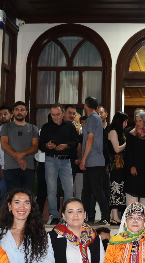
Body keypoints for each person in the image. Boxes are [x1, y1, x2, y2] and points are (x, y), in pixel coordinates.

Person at [40, 103, 80, 225]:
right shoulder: (46, 127)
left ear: (62, 113)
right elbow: (40, 144)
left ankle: (67, 215)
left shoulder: (70, 126)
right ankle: (54, 216)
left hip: (66, 160)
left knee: (69, 189)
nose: (55, 117)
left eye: (58, 114)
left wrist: (67, 145)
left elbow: (76, 141)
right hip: (51, 159)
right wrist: (47, 145)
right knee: (52, 189)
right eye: (53, 115)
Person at [80, 96, 110, 225]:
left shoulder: (92, 118)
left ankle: (106, 216)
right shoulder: (95, 118)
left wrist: (84, 158)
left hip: (93, 159)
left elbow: (90, 139)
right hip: (93, 159)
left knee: (97, 190)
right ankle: (84, 216)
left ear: (85, 105)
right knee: (86, 191)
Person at [0, 101, 40, 191]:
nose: (19, 112)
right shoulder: (6, 127)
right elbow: (4, 145)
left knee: (27, 195)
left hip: (28, 168)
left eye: (22, 110)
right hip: (11, 168)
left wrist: (23, 154)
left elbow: (35, 146)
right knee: (13, 196)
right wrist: (18, 157)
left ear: (26, 112)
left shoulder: (33, 128)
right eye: (17, 110)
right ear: (13, 112)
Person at [124, 111, 145, 207]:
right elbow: (128, 152)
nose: (137, 123)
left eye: (140, 121)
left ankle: (144, 219)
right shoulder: (131, 134)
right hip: (135, 170)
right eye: (136, 121)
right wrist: (131, 166)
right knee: (132, 195)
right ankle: (130, 218)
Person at [106, 112, 129, 224]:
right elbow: (116, 149)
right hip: (116, 164)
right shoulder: (113, 132)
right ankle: (114, 216)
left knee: (119, 188)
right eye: (125, 121)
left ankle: (114, 216)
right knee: (116, 188)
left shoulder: (120, 132)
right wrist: (127, 143)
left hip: (121, 164)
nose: (126, 124)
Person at [0, 105, 13, 205]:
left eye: (5, 114)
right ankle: (1, 218)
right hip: (1, 168)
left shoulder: (16, 130)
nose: (3, 116)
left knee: (13, 194)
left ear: (11, 115)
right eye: (1, 114)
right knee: (2, 194)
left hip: (14, 167)